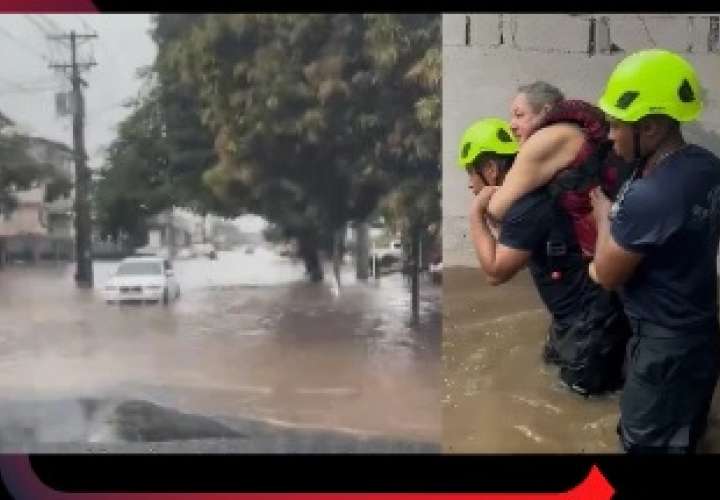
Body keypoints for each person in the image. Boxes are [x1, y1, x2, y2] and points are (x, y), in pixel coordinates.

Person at [589, 49, 720, 454]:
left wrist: (603, 217)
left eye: (616, 125)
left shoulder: (652, 196)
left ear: (651, 127)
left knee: (642, 446)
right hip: (699, 334)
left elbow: (605, 275)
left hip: (662, 348)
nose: (610, 136)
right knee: (685, 439)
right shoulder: (705, 165)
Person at [459, 118, 631, 396]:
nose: (469, 184)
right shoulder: (531, 198)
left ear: (490, 169)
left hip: (590, 325)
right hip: (576, 318)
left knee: (581, 407)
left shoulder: (526, 207)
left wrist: (475, 215)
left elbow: (494, 272)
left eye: (470, 173)